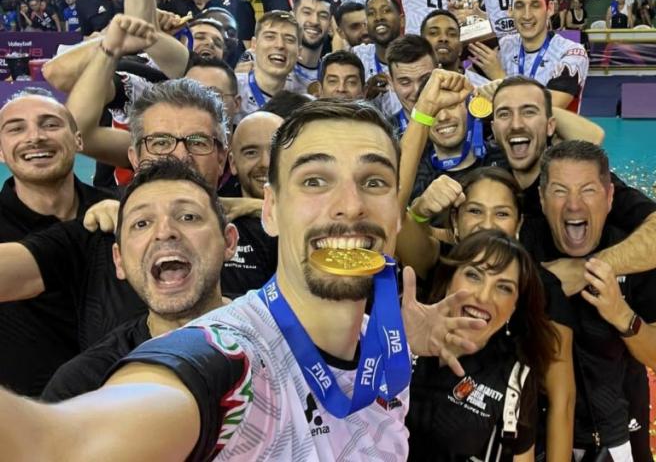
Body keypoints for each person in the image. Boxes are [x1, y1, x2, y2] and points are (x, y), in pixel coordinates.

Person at [0, 99, 486, 461]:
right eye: (315, 181)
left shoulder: (382, 343)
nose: (351, 205)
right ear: (269, 210)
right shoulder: (226, 358)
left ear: (395, 215)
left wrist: (402, 337)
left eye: (374, 181)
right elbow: (61, 444)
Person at [526, 141, 656, 459]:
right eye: (559, 191)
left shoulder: (633, 251)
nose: (574, 205)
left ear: (609, 198)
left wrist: (621, 315)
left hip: (617, 435)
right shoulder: (524, 248)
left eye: (588, 190)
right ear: (541, 199)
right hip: (537, 433)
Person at [41, 158, 239, 402]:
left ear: (229, 242)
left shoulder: (276, 329)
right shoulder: (83, 386)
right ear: (119, 260)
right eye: (141, 223)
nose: (164, 232)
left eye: (188, 217)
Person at [490, 76, 656, 290]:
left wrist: (586, 269)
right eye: (504, 114)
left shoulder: (580, 179)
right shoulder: (489, 180)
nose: (516, 124)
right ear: (494, 129)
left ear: (551, 125)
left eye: (529, 112)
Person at [0, 88, 113, 396]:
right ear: (1, 151)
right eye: (16, 129)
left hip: (119, 401)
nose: (35, 137)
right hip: (26, 413)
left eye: (50, 124)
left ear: (78, 140)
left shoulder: (121, 210)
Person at [407, 229, 557, 461]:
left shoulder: (514, 378)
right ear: (448, 280)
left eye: (504, 287)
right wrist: (398, 344)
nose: (484, 297)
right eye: (474, 276)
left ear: (514, 307)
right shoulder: (399, 332)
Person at [498, 0, 589, 111]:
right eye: (519, 6)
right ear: (510, 11)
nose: (527, 15)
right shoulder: (504, 46)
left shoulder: (571, 52)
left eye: (535, 5)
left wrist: (498, 77)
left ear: (550, 8)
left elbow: (549, 108)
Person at [223, 111, 282, 298]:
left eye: (275, 151)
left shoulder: (319, 213)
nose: (265, 163)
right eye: (251, 153)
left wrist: (254, 206)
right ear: (232, 163)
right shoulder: (218, 219)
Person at [385, 35, 437, 134]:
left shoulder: (459, 118)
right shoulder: (385, 133)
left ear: (440, 74)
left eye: (425, 80)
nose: (417, 90)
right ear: (391, 82)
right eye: (405, 83)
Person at [290, 0, 334, 90]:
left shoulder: (330, 76)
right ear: (292, 17)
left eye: (323, 16)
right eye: (307, 12)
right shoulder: (271, 66)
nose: (314, 21)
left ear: (330, 25)